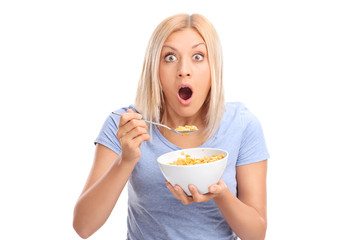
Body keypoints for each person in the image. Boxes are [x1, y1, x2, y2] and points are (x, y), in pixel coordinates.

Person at [73, 13, 270, 240]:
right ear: (154, 69)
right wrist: (126, 159)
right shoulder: (125, 124)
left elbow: (256, 234)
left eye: (198, 56)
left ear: (213, 68)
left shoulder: (242, 125)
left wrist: (220, 193)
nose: (183, 70)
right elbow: (83, 226)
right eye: (169, 57)